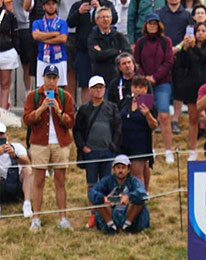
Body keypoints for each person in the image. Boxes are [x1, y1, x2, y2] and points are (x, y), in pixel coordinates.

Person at [22, 65, 75, 231]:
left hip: (60, 143)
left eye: (54, 78)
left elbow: (70, 122)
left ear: (58, 80)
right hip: (39, 143)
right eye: (48, 77)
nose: (51, 81)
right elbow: (27, 120)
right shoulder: (34, 96)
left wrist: (58, 111)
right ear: (43, 78)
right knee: (38, 181)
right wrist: (42, 108)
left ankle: (63, 218)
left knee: (60, 181)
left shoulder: (65, 96)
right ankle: (36, 218)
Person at [73, 75, 121, 227]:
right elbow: (77, 130)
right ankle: (94, 213)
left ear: (105, 89)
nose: (98, 90)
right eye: (95, 87)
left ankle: (108, 211)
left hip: (107, 151)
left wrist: (113, 146)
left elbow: (118, 128)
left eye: (101, 87)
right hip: (91, 153)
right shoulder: (84, 110)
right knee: (92, 184)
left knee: (108, 183)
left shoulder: (112, 108)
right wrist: (83, 147)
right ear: (90, 90)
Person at [67, 0, 117, 104]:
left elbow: (115, 18)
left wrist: (99, 8)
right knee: (85, 83)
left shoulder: (105, 3)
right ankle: (86, 111)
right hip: (83, 52)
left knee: (104, 82)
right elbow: (69, 23)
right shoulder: (77, 5)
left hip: (102, 53)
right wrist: (79, 12)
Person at [173, 22, 206, 161]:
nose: (200, 33)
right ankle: (192, 149)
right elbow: (182, 64)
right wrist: (185, 49)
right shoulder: (190, 48)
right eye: (198, 31)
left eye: (204, 31)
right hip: (192, 87)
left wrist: (194, 48)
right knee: (193, 118)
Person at [134, 13, 175, 163]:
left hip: (162, 82)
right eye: (149, 23)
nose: (152, 26)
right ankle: (149, 148)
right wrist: (145, 78)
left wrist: (155, 77)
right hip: (144, 84)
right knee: (146, 116)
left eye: (155, 23)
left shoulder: (166, 41)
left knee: (164, 116)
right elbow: (137, 62)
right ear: (145, 25)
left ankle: (168, 150)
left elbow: (168, 62)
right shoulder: (140, 42)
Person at [158, 0, 192, 135]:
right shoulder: (159, 13)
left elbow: (189, 36)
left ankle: (176, 120)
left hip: (180, 56)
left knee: (178, 88)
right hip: (161, 56)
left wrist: (177, 48)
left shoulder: (186, 15)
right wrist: (166, 50)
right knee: (160, 86)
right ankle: (160, 120)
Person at [89, 154, 149, 233]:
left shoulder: (134, 181)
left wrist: (129, 197)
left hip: (129, 212)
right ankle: (111, 226)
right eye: (118, 168)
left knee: (140, 199)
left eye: (123, 168)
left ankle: (128, 225)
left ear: (128, 169)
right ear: (114, 169)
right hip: (111, 212)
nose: (120, 170)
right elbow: (92, 192)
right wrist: (103, 198)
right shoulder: (107, 180)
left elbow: (142, 192)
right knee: (98, 201)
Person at [120, 75, 157, 188]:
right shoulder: (125, 102)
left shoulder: (149, 104)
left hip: (140, 144)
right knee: (128, 173)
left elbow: (154, 125)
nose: (138, 90)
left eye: (141, 87)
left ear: (146, 89)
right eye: (136, 86)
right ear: (131, 88)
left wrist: (147, 114)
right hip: (125, 142)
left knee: (136, 173)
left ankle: (140, 197)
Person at [3, 0, 33, 97]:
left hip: (24, 28)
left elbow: (28, 5)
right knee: (7, 66)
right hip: (7, 30)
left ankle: (28, 93)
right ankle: (7, 97)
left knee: (26, 63)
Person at [32, 0, 70, 89]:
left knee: (60, 87)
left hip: (59, 58)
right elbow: (36, 36)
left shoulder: (62, 22)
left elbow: (63, 38)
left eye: (53, 4)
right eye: (48, 4)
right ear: (44, 6)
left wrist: (43, 37)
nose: (51, 6)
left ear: (56, 6)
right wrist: (55, 34)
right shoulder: (37, 22)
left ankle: (59, 104)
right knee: (42, 87)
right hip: (43, 58)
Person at [88, 6, 130, 86]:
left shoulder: (119, 36)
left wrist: (104, 53)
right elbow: (96, 56)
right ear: (96, 20)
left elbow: (127, 53)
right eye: (103, 17)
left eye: (107, 17)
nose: (105, 19)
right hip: (101, 79)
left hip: (117, 78)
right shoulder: (93, 38)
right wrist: (116, 52)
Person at [0, 122, 33, 218]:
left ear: (6, 135)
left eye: (1, 134)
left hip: (18, 186)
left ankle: (27, 204)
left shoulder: (17, 147)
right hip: (2, 187)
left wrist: (14, 155)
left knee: (28, 170)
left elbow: (27, 162)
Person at [0, 1, 19, 112]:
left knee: (5, 83)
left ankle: (2, 113)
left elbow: (15, 34)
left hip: (6, 52)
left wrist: (15, 50)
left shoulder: (9, 15)